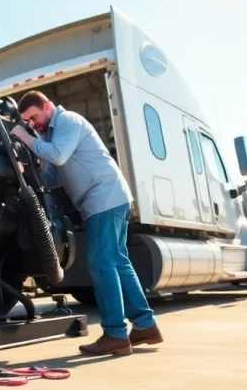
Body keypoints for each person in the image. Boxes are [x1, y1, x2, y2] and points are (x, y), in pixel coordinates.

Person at [9, 90, 162, 356]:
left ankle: (115, 334)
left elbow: (57, 155)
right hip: (107, 199)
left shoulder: (68, 121)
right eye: (28, 122)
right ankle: (145, 325)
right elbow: (52, 180)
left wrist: (25, 137)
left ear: (47, 106)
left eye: (34, 117)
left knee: (101, 262)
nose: (33, 124)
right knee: (118, 262)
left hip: (104, 197)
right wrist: (28, 165)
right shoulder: (49, 137)